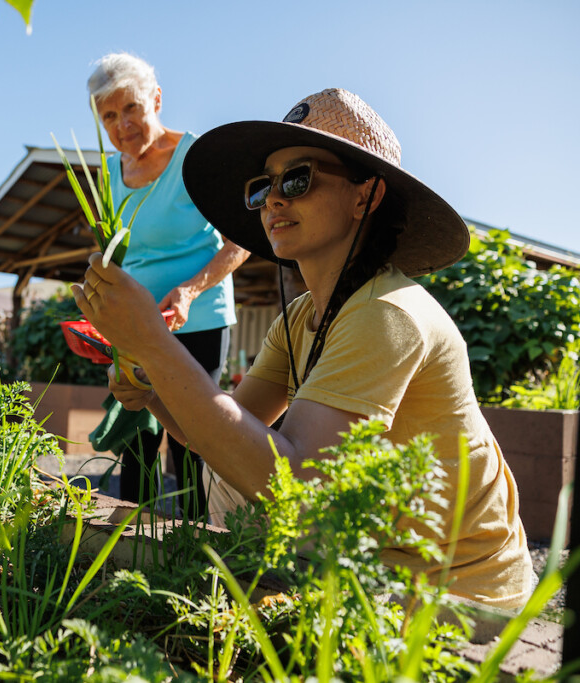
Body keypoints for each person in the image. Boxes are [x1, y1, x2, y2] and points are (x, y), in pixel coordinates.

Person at [73, 88, 532, 609]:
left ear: (366, 196)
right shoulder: (302, 318)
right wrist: (151, 389)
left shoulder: (386, 312)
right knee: (227, 468)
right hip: (372, 560)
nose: (273, 199)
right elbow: (216, 436)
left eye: (298, 178)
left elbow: (292, 486)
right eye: (263, 186)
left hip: (456, 592)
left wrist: (154, 344)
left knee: (252, 486)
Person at [84, 53, 250, 518]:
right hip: (135, 327)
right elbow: (113, 252)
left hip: (197, 317)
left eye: (131, 108)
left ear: (156, 99)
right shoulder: (109, 172)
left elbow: (241, 241)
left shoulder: (195, 156)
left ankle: (198, 546)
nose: (122, 126)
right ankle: (133, 552)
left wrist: (191, 290)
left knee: (192, 439)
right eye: (109, 116)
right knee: (136, 431)